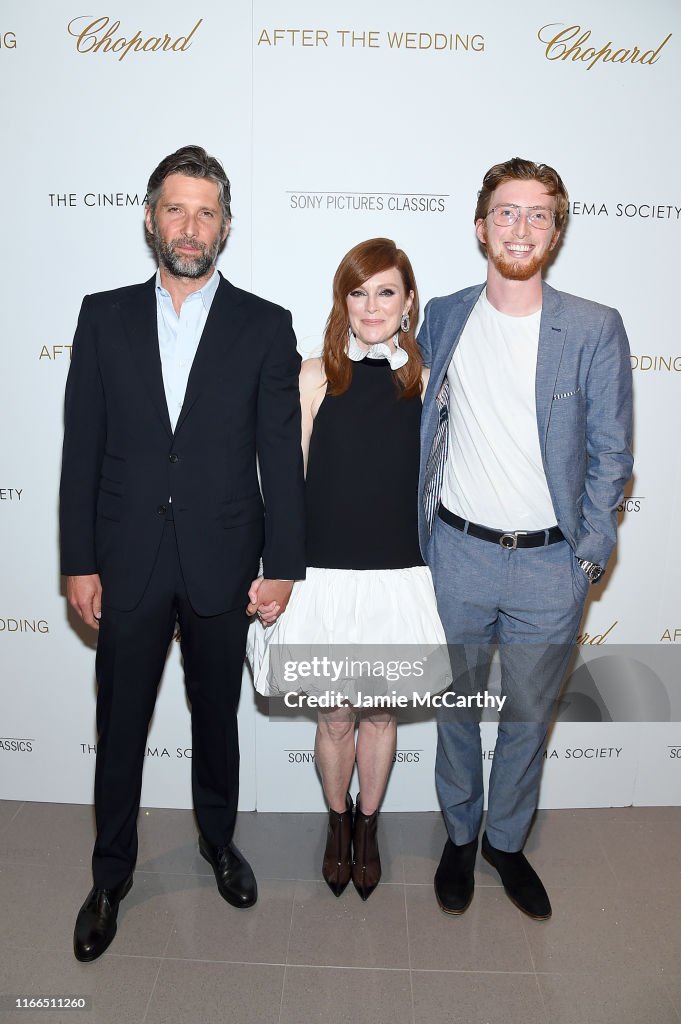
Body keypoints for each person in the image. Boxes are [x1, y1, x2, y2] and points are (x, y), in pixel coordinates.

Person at [60, 145, 305, 962]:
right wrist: (78, 559)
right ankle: (109, 876)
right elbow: (81, 447)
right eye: (176, 209)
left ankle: (217, 843)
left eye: (206, 212)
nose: (190, 226)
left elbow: (281, 455)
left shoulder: (265, 324)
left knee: (217, 721)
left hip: (225, 560)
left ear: (226, 226)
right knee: (120, 725)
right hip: (125, 557)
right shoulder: (103, 316)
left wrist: (282, 565)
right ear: (149, 216)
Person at [418, 158, 633, 920]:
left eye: (538, 214)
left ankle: (504, 843)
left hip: (551, 564)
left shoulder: (593, 326)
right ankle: (458, 832)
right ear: (481, 227)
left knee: (527, 716)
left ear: (555, 231)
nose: (520, 227)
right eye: (506, 213)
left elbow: (612, 454)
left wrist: (585, 553)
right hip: (456, 554)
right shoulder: (442, 315)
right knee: (452, 709)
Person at [248, 238, 447, 900]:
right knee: (334, 717)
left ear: (407, 302)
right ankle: (337, 824)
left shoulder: (426, 380)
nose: (371, 306)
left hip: (399, 576)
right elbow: (286, 482)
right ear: (342, 303)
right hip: (323, 577)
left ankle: (368, 825)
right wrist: (277, 570)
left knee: (381, 718)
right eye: (357, 293)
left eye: (385, 291)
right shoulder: (313, 376)